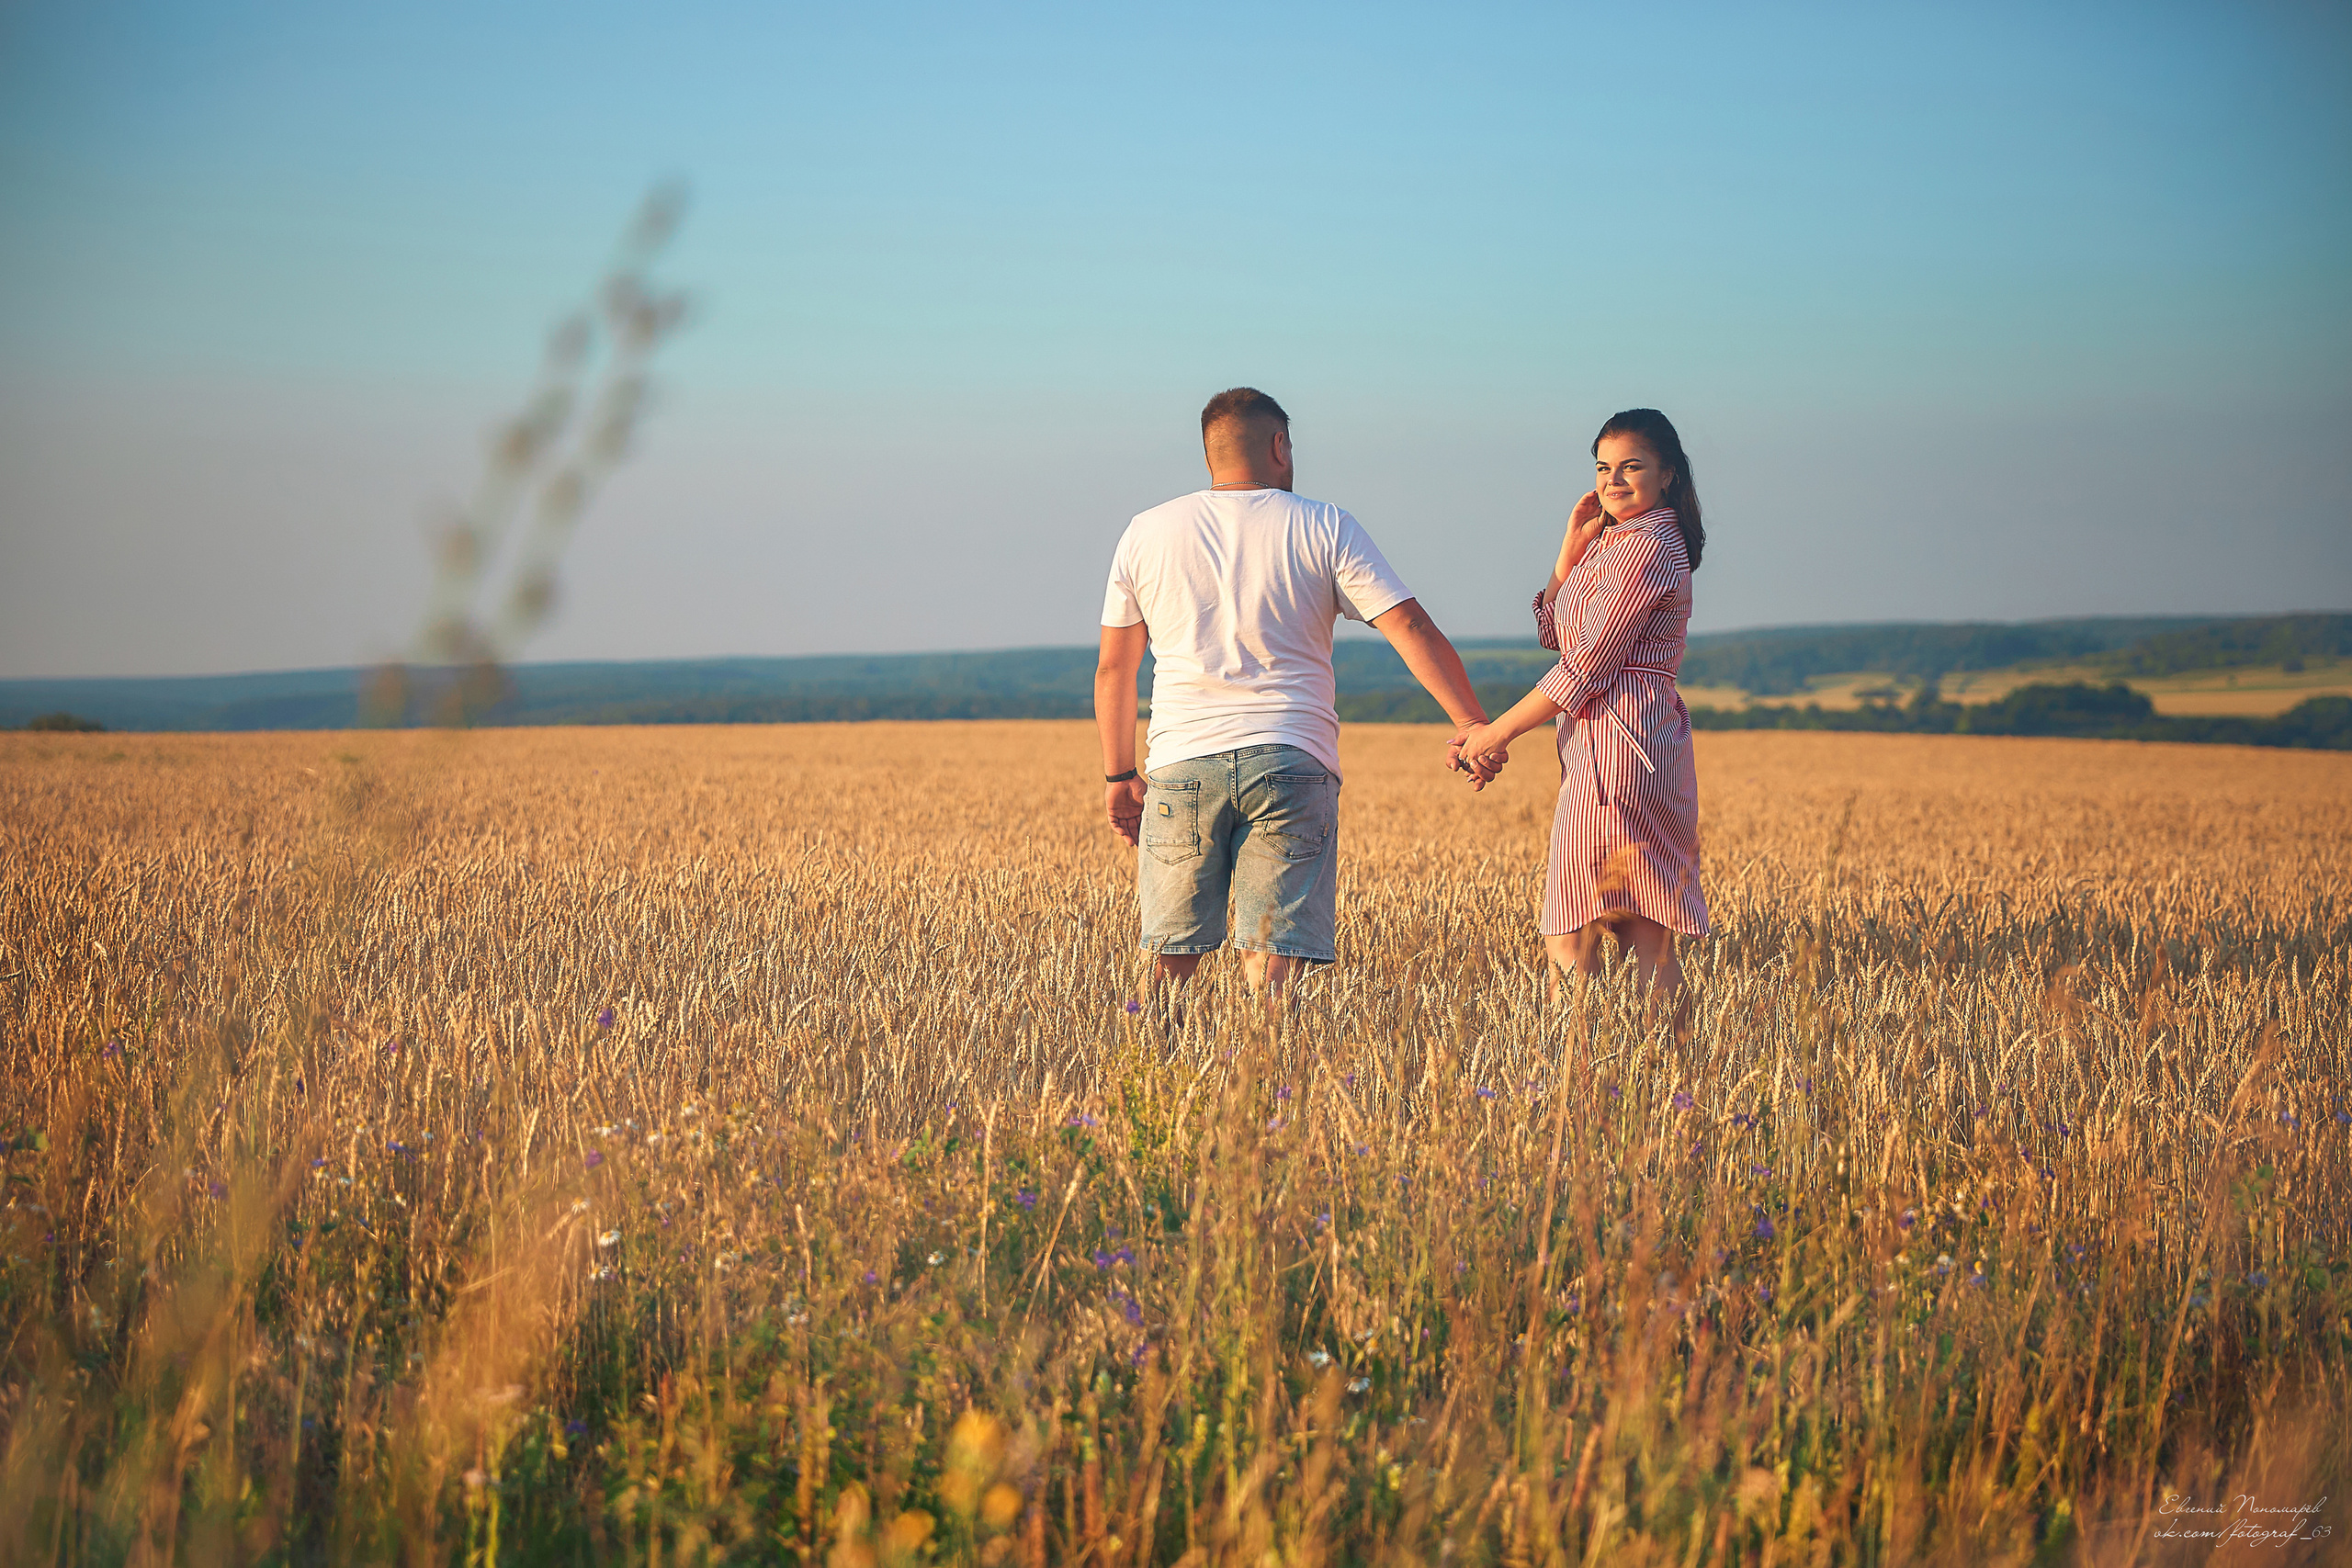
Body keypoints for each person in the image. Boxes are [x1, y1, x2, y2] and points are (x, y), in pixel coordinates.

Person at [1095, 388, 1493, 999]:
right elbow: (1409, 626)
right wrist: (1471, 722)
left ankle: (1150, 1059)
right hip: (1292, 760)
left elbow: (1114, 670)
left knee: (1170, 956)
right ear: (1280, 445)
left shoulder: (1146, 532)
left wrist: (1120, 774)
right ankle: (1266, 1061)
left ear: (1210, 451)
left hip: (1181, 762)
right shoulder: (1325, 524)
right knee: (1272, 957)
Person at [1451, 408, 1709, 999]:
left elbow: (1585, 664)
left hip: (1622, 743)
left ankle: (1576, 1046)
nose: (1613, 480)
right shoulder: (1616, 543)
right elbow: (1555, 630)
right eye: (1602, 468)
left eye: (1630, 467)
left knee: (1574, 927)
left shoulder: (1647, 548)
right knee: (1644, 924)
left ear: (1667, 474)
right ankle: (1667, 1051)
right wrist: (1568, 554)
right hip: (1623, 742)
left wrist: (1495, 734)